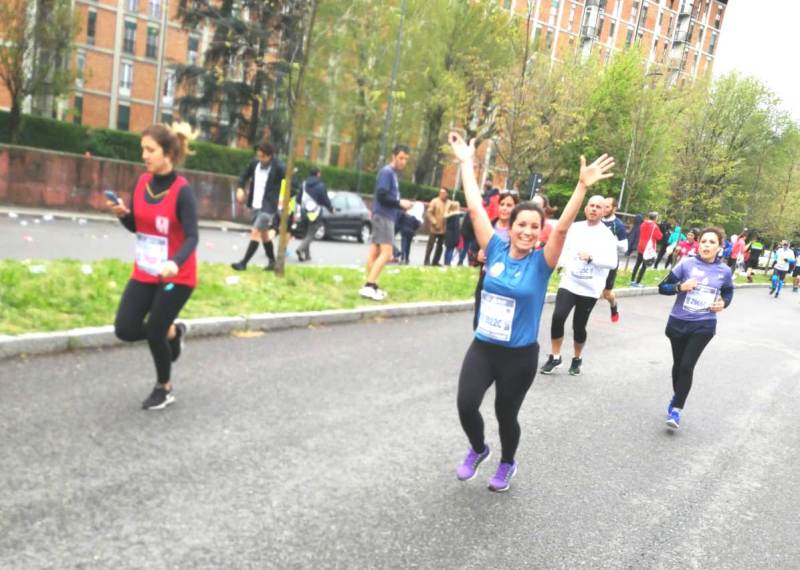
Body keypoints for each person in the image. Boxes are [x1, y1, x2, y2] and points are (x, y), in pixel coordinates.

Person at [450, 131, 614, 492]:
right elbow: (476, 208)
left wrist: (582, 187)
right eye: (521, 225)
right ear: (510, 228)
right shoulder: (493, 247)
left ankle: (507, 462)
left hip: (519, 356)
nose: (527, 231)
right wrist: (466, 163)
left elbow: (565, 227)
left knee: (505, 415)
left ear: (541, 233)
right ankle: (478, 450)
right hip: (484, 347)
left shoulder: (542, 263)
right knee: (466, 404)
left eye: (534, 227)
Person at [107, 123, 199, 410]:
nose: (144, 155)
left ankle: (164, 388)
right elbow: (138, 226)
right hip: (146, 269)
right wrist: (123, 215)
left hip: (177, 275)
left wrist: (175, 262)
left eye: (150, 150)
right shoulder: (142, 182)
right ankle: (175, 332)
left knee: (156, 329)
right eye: (142, 149)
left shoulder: (183, 191)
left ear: (168, 153)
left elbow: (193, 236)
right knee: (125, 328)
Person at [658, 227, 734, 429]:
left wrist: (723, 304)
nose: (706, 245)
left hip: (704, 325)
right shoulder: (686, 264)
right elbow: (662, 287)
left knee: (686, 366)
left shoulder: (724, 271)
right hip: (678, 322)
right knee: (678, 365)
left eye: (712, 242)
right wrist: (679, 287)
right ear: (698, 244)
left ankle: (676, 410)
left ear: (720, 247)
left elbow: (728, 293)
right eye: (703, 241)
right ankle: (677, 397)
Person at [540, 196, 619, 376]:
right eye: (591, 205)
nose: (593, 209)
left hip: (590, 287)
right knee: (558, 316)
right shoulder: (575, 228)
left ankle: (577, 359)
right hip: (570, 281)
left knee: (579, 326)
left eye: (598, 207)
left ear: (603, 211)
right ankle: (555, 356)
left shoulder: (607, 235)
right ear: (585, 208)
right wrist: (560, 263)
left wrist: (592, 258)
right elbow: (564, 249)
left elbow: (613, 262)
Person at [359, 145, 413, 300]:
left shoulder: (392, 174)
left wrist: (400, 206)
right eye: (401, 158)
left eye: (406, 159)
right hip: (384, 216)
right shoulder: (387, 172)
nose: (403, 162)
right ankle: (369, 285)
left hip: (383, 215)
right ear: (393, 156)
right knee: (387, 254)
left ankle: (372, 285)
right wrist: (399, 203)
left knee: (374, 252)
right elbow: (382, 196)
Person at [231, 141, 286, 271]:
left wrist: (285, 199)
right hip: (256, 204)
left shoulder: (279, 167)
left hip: (269, 206)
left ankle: (243, 263)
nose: (260, 159)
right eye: (258, 155)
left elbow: (293, 184)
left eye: (262, 156)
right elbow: (243, 177)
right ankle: (273, 262)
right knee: (264, 235)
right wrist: (240, 188)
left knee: (255, 232)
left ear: (270, 155)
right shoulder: (254, 164)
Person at [471, 189, 520, 330]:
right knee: (479, 320)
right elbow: (473, 249)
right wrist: (477, 256)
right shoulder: (489, 227)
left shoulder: (517, 230)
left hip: (507, 282)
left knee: (500, 324)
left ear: (516, 208)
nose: (504, 208)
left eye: (509, 205)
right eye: (502, 204)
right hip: (486, 279)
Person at [294, 167, 333, 262]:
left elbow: (298, 199)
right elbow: (325, 200)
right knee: (311, 234)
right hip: (315, 212)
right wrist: (330, 208)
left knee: (306, 233)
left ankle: (307, 256)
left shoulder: (303, 184)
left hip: (304, 212)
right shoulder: (321, 185)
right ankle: (300, 249)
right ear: (318, 174)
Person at [601, 196, 628, 322]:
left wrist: (610, 241)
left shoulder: (618, 225)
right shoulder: (597, 220)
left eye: (607, 206)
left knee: (606, 294)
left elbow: (624, 247)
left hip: (610, 262)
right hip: (594, 260)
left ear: (614, 209)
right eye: (603, 205)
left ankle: (613, 305)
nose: (604, 209)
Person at [630, 212, 662, 287]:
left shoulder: (643, 224)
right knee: (644, 266)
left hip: (641, 245)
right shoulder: (655, 226)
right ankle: (637, 282)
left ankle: (632, 280)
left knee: (637, 264)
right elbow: (659, 237)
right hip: (648, 248)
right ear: (655, 218)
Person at [424, 188, 449, 266]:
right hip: (435, 228)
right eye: (440, 192)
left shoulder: (449, 203)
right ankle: (426, 260)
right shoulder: (435, 201)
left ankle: (435, 261)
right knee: (430, 245)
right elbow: (429, 212)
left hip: (444, 228)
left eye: (443, 193)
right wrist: (434, 222)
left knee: (440, 246)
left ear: (447, 194)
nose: (441, 194)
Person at [443, 200, 463, 266]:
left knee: (448, 250)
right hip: (453, 236)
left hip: (448, 234)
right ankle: (448, 264)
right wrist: (457, 238)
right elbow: (456, 228)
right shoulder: (456, 216)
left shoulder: (449, 214)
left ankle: (446, 262)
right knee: (450, 251)